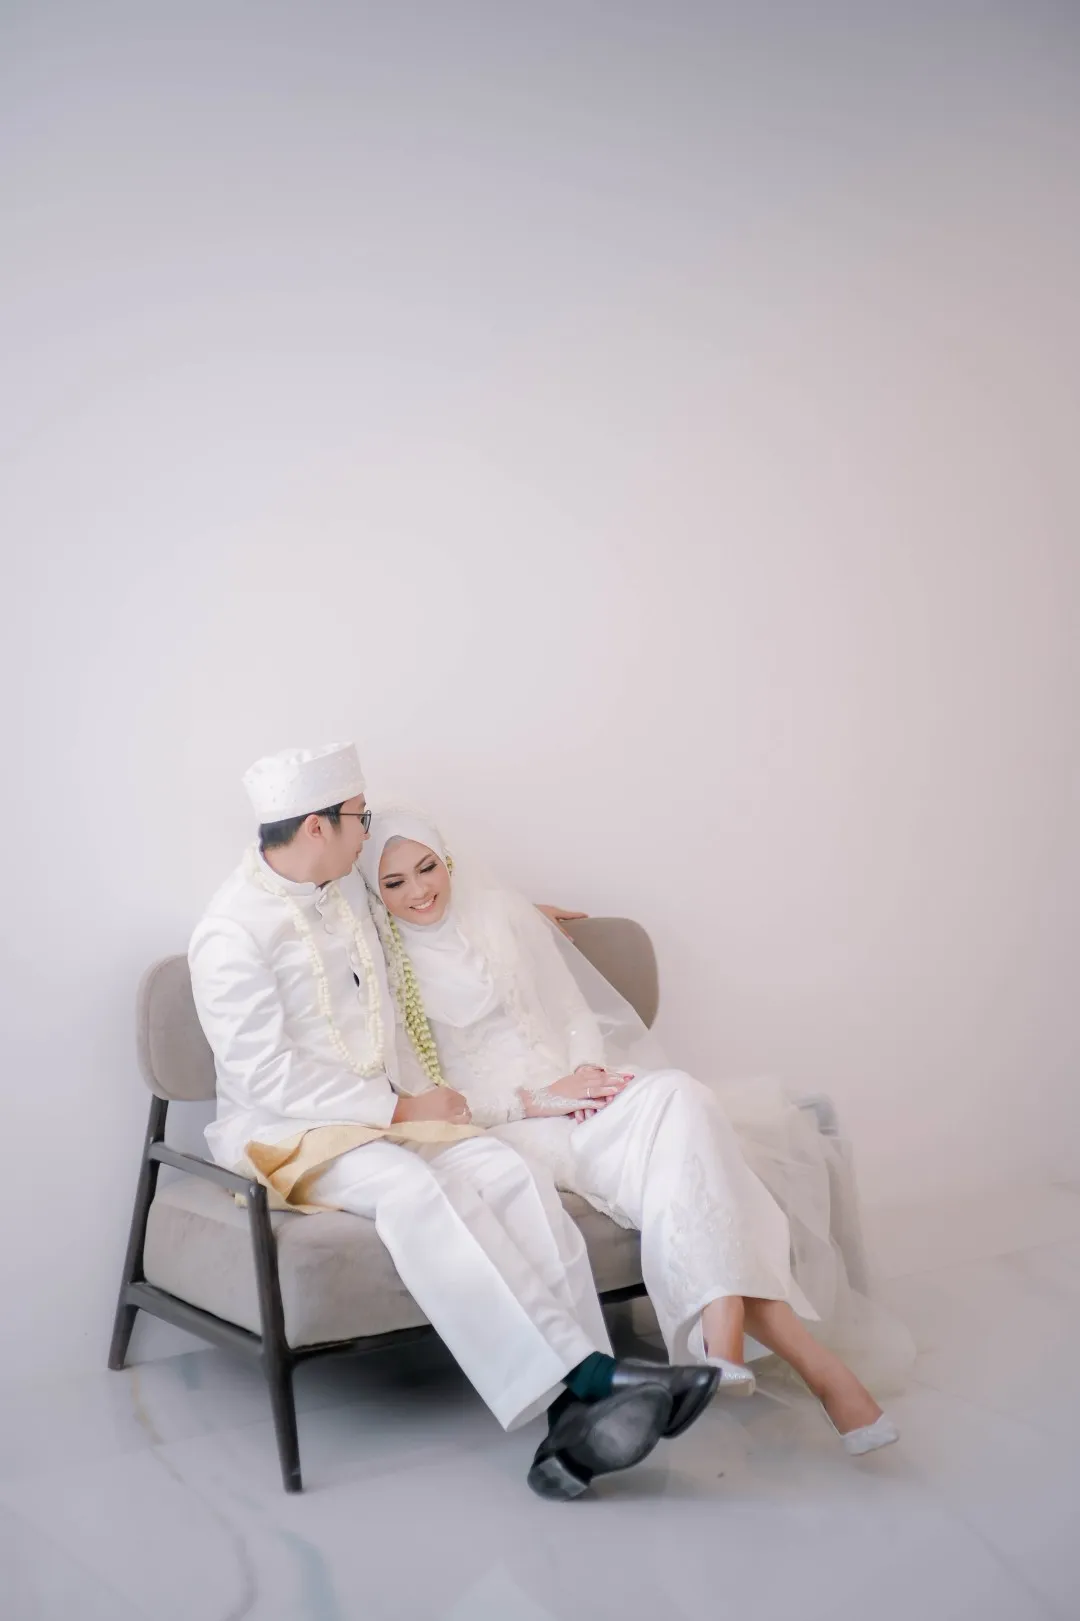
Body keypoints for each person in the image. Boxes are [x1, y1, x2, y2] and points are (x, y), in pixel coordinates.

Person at [188, 743, 719, 1501]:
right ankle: (593, 1381)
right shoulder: (230, 932)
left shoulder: (341, 887)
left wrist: (522, 920)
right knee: (411, 1191)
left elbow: (425, 908)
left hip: (383, 1115)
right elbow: (262, 1077)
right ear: (316, 827)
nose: (367, 829)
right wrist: (399, 1109)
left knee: (506, 1171)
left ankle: (576, 1421)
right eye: (358, 817)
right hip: (289, 1131)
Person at [359, 806, 905, 1457]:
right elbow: (432, 1101)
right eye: (395, 883)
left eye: (427, 868)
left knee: (681, 1095)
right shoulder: (385, 972)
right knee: (701, 1172)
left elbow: (571, 1011)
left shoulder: (503, 914)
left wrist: (589, 1074)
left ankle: (722, 1336)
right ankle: (811, 1370)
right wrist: (543, 1100)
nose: (419, 891)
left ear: (448, 860)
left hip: (584, 1089)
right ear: (375, 891)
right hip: (515, 1126)